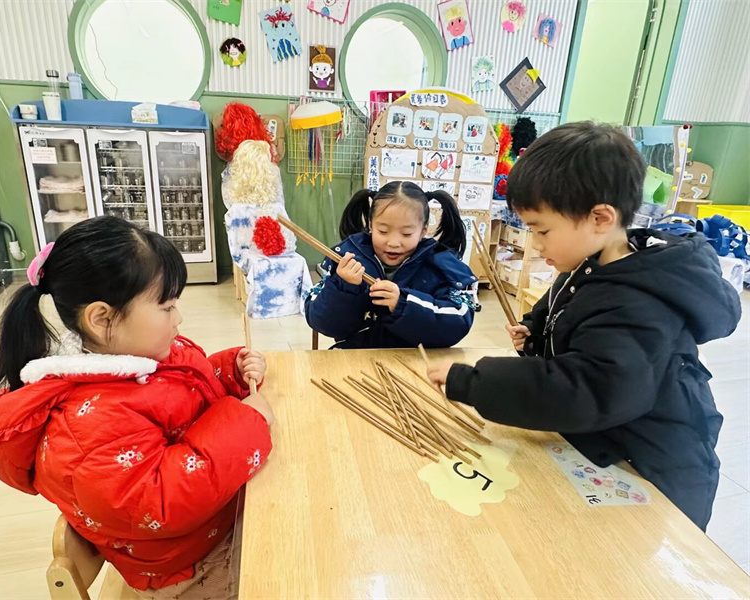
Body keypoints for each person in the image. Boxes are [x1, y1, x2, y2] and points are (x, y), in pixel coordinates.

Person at [427, 122, 741, 530]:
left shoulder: (638, 303)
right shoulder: (592, 262)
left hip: (656, 469)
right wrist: (535, 333)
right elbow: (563, 312)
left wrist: (473, 382)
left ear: (600, 218)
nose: (537, 243)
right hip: (606, 442)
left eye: (542, 230)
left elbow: (587, 389)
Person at [0, 217, 274, 597]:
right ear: (101, 318)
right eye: (167, 307)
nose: (178, 318)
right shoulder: (87, 426)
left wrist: (229, 373)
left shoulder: (142, 351)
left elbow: (186, 390)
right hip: (189, 565)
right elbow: (162, 503)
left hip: (217, 517)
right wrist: (245, 423)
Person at [305, 180, 477, 349]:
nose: (393, 243)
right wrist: (343, 287)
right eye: (383, 231)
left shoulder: (440, 266)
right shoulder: (346, 258)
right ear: (370, 225)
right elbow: (319, 322)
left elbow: (459, 322)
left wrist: (403, 304)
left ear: (423, 231)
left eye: (406, 233)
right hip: (355, 357)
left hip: (416, 360)